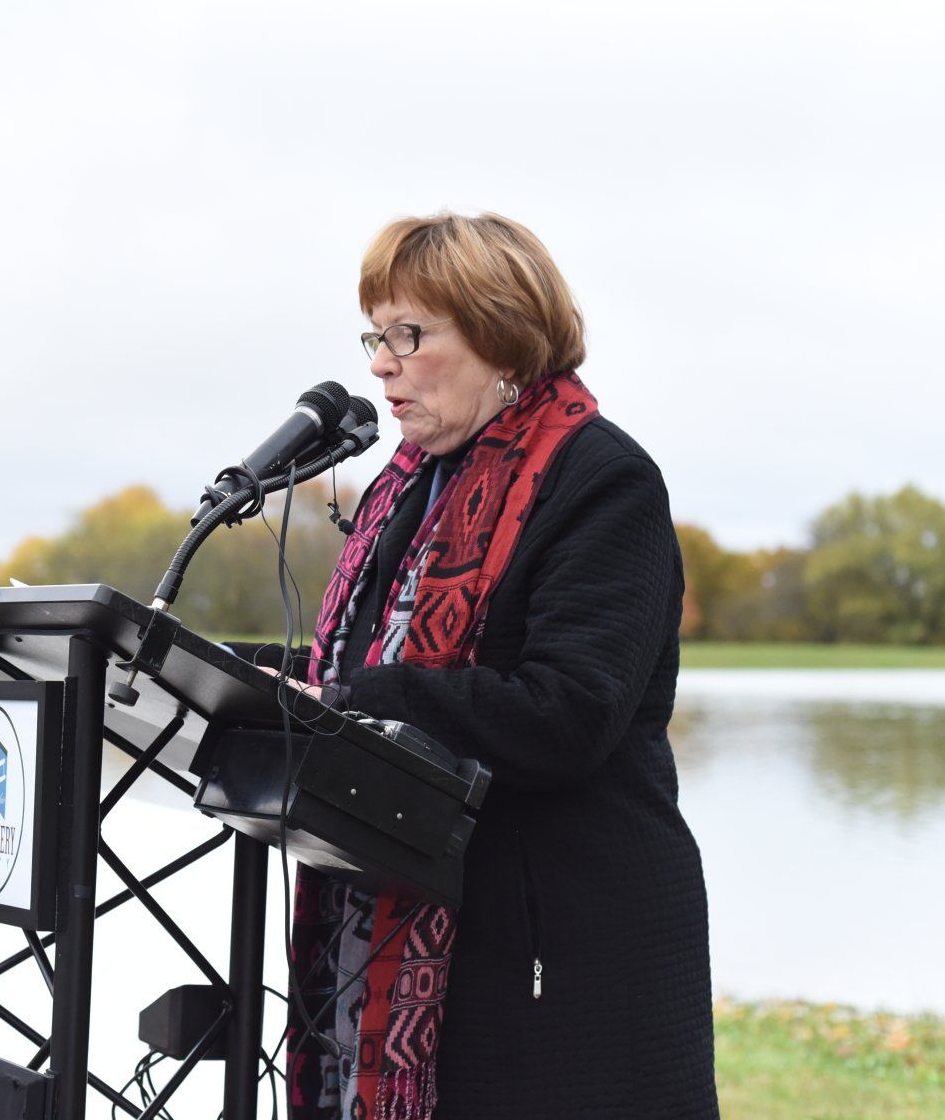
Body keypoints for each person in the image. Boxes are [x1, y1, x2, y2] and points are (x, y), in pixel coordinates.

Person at [279, 213, 718, 1120]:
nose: (380, 364)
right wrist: (284, 686)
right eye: (375, 335)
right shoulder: (404, 486)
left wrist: (352, 698)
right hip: (415, 911)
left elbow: (568, 711)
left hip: (562, 946)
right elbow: (362, 660)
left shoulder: (602, 478)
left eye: (410, 335)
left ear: (497, 331)